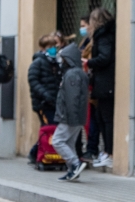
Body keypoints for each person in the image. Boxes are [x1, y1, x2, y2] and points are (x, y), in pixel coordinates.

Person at [52, 44, 89, 182]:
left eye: (63, 59)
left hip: (69, 116)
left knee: (58, 141)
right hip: (76, 116)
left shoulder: (72, 74)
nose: (61, 62)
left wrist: (71, 117)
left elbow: (72, 97)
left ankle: (75, 163)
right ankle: (73, 171)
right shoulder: (79, 73)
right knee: (69, 143)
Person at [86, 8, 116, 169]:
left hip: (105, 83)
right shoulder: (106, 35)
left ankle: (110, 152)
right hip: (104, 83)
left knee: (106, 118)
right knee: (101, 117)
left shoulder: (103, 37)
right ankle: (107, 151)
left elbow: (104, 58)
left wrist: (89, 62)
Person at [27, 34, 61, 163]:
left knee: (49, 128)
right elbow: (34, 82)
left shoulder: (55, 63)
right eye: (50, 47)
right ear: (43, 48)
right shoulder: (38, 63)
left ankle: (38, 153)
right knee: (49, 127)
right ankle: (36, 153)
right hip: (43, 103)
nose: (53, 49)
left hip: (53, 102)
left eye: (54, 46)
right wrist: (46, 95)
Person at [79, 15, 98, 161]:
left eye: (84, 25)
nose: (83, 29)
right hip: (88, 83)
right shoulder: (86, 41)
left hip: (92, 84)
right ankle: (90, 148)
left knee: (92, 119)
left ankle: (92, 148)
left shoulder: (94, 41)